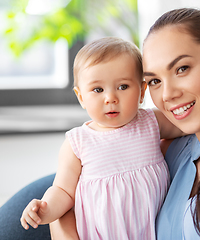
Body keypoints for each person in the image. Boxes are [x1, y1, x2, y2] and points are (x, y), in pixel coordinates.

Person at [0, 8, 200, 240]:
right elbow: (76, 193)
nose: (167, 93)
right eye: (154, 80)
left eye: (182, 69)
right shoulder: (171, 150)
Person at [19, 37, 183, 240]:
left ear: (142, 91)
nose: (110, 98)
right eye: (98, 90)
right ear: (81, 98)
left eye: (123, 86)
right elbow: (63, 190)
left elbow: (188, 125)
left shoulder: (151, 122)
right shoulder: (77, 142)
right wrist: (45, 208)